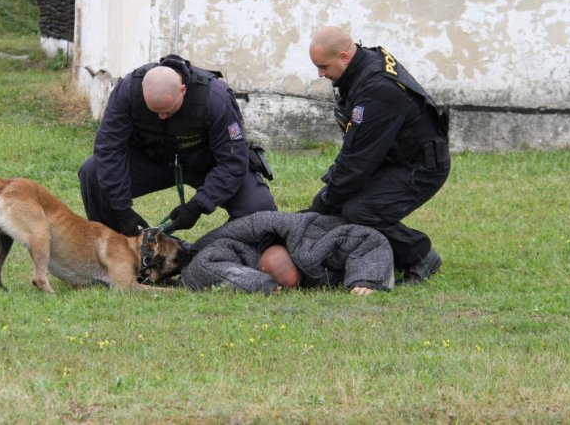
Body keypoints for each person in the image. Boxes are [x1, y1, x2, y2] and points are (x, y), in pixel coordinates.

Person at [307, 26, 451, 284]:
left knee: (358, 211)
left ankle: (420, 255)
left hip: (421, 167)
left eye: (324, 67)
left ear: (343, 56)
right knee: (340, 202)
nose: (321, 74)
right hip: (394, 159)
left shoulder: (377, 90)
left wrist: (323, 202)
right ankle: (372, 250)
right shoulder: (363, 66)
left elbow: (358, 163)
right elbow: (357, 148)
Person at [78, 54, 277, 236]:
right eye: (154, 111)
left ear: (183, 90)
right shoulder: (128, 91)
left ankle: (202, 254)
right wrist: (121, 209)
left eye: (167, 110)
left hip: (206, 163)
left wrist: (198, 205)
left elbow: (232, 161)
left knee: (258, 207)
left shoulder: (215, 99)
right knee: (92, 172)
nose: (161, 117)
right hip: (153, 159)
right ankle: (115, 253)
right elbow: (109, 149)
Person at [181, 210, 394, 295]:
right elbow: (200, 266)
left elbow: (370, 241)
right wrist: (259, 283)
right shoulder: (232, 246)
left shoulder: (314, 248)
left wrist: (365, 280)